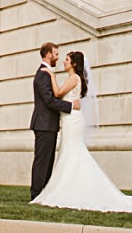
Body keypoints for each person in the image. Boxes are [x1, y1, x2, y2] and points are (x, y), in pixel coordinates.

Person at [31, 50, 132, 214]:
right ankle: (69, 188)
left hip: (72, 121)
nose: (63, 61)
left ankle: (70, 190)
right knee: (69, 153)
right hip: (69, 120)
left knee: (73, 153)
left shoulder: (74, 78)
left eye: (67, 59)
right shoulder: (72, 78)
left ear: (74, 64)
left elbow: (57, 93)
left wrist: (52, 76)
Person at [30, 41, 77, 199]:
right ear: (49, 55)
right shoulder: (43, 73)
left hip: (48, 124)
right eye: (56, 54)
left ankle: (43, 192)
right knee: (42, 161)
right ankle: (36, 194)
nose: (58, 57)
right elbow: (49, 100)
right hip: (44, 124)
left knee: (47, 162)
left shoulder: (46, 73)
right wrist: (70, 106)